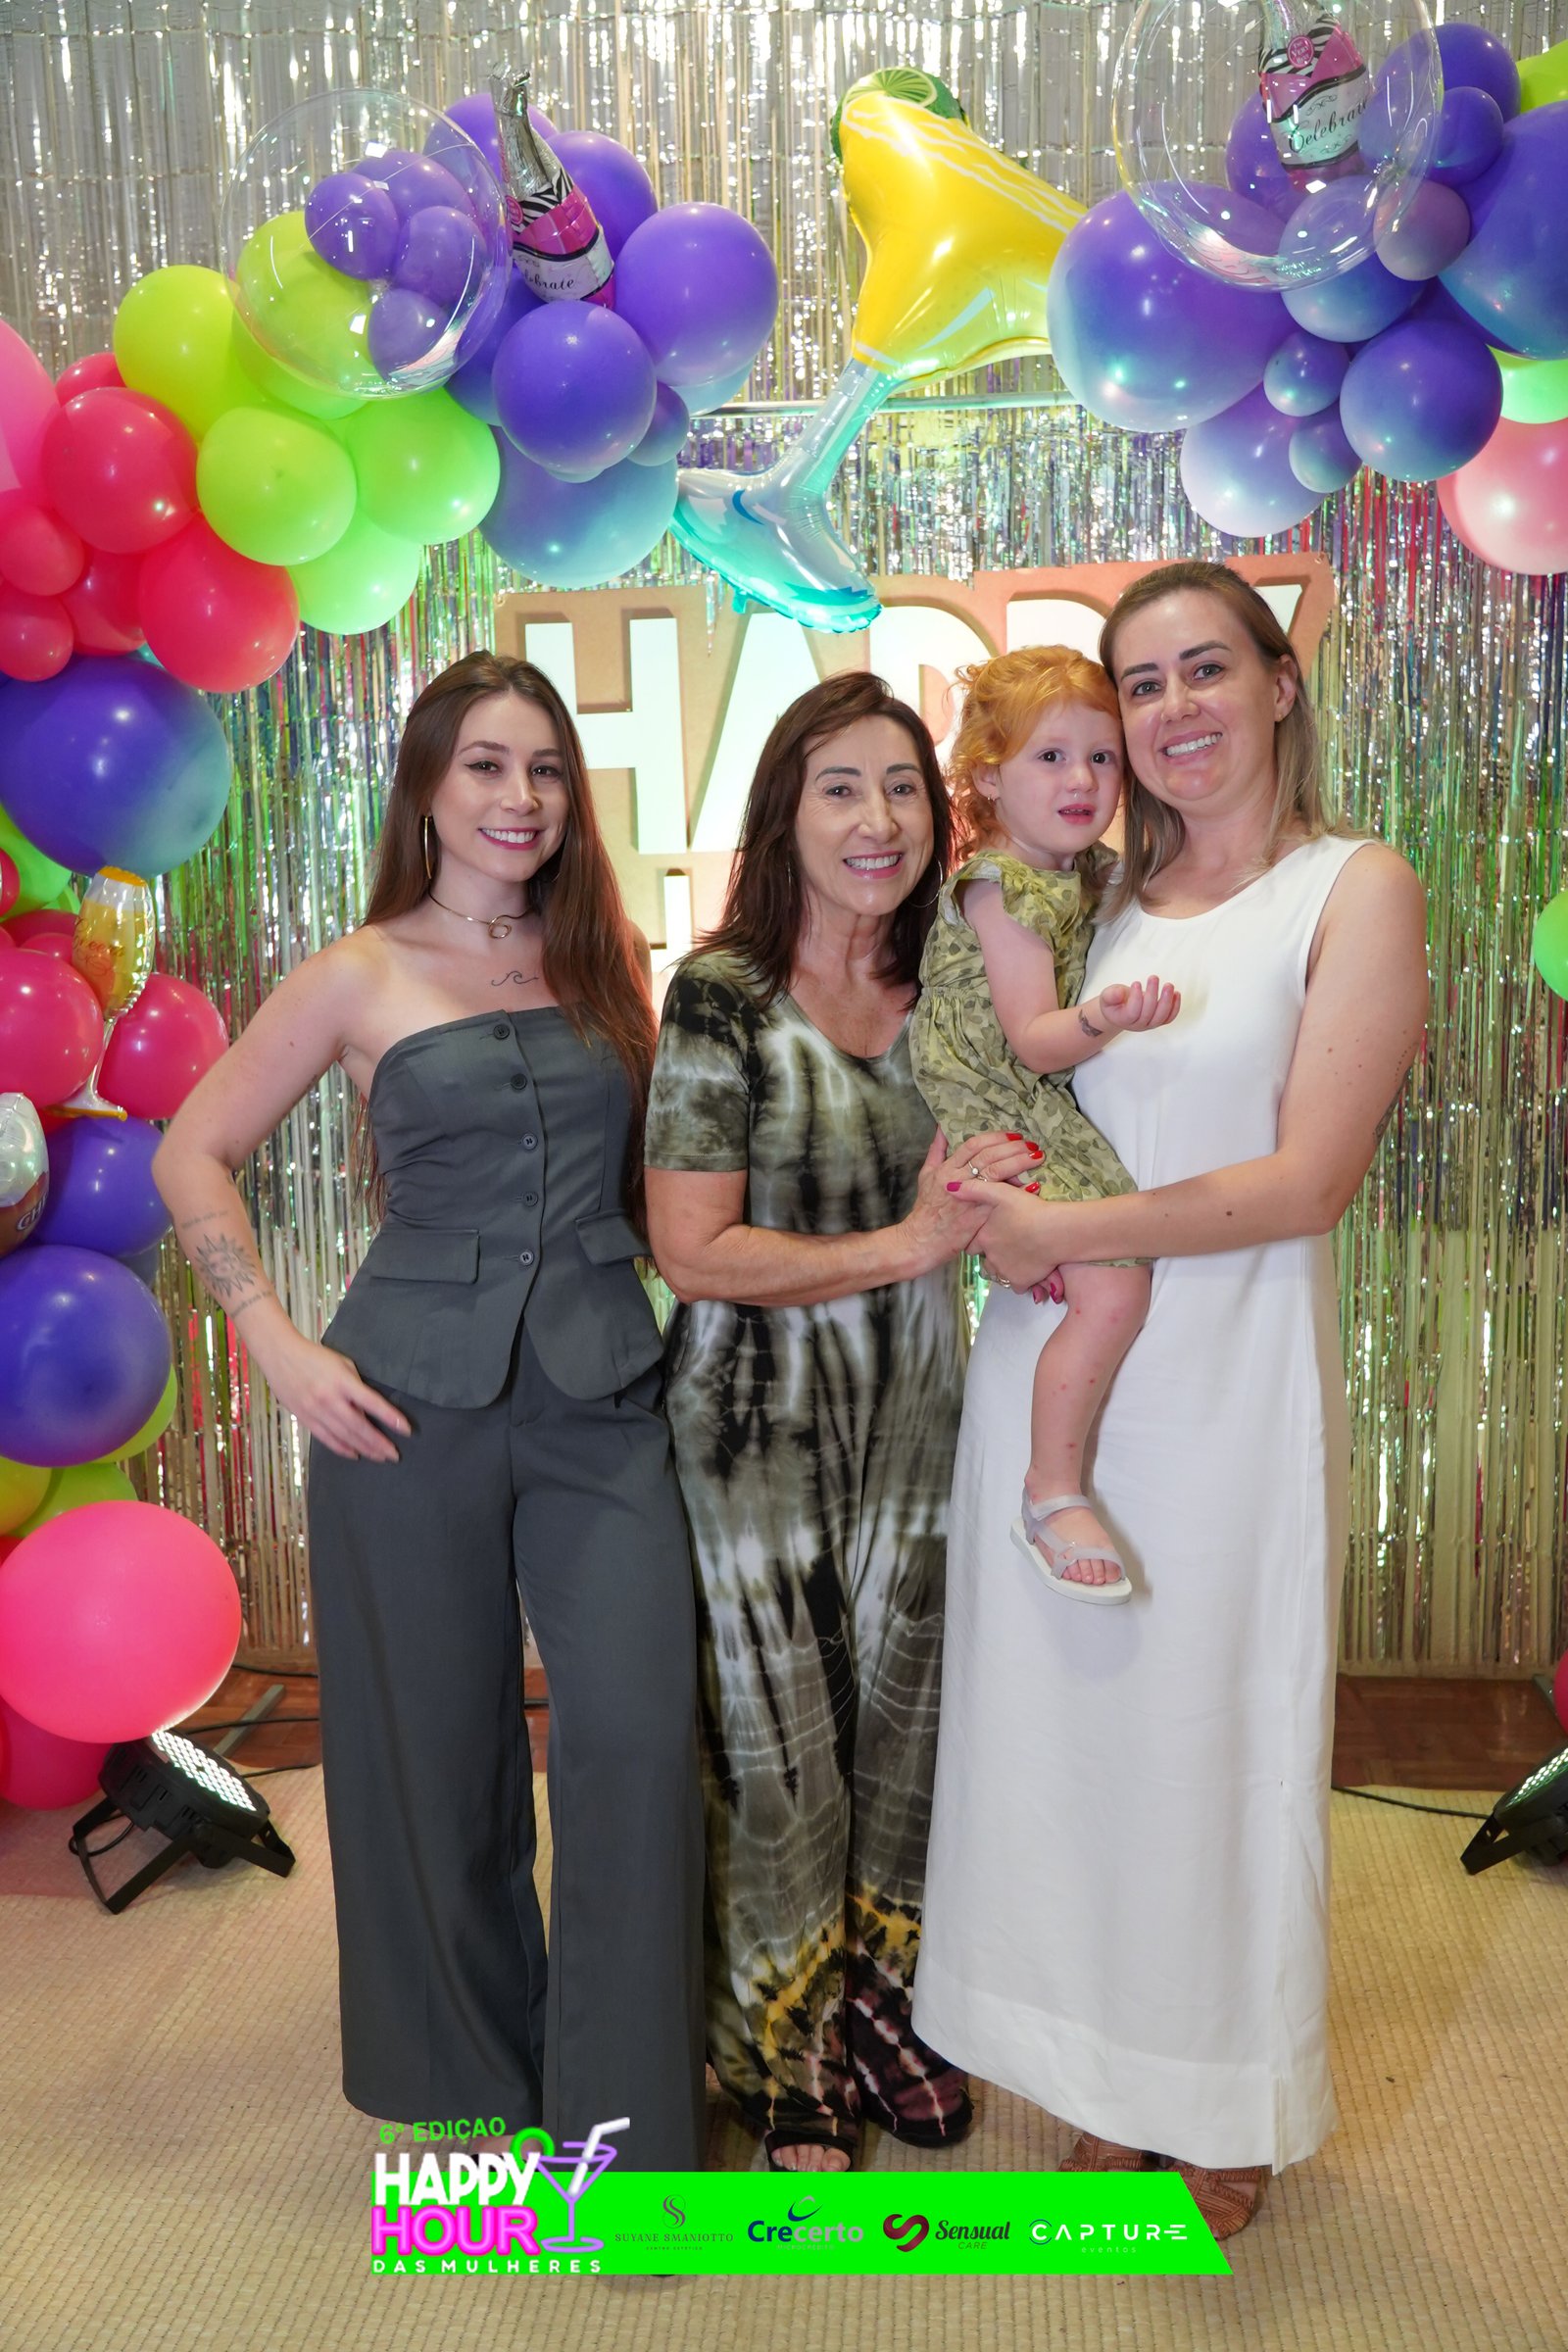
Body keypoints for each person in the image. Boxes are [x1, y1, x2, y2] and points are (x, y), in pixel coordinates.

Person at [912, 563, 1428, 2239]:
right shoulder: (1090, 901)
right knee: (1069, 1743)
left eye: (1207, 668)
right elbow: (1001, 1074)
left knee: (1213, 1740)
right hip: (1055, 1375)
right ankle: (1107, 2072)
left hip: (1224, 1387)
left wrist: (1064, 1231)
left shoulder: (1352, 889)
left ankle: (1221, 2094)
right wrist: (977, 1192)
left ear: (1280, 683)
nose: (1173, 708)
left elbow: (1304, 1182)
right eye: (1141, 684)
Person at [153, 651, 706, 2172]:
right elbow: (192, 1152)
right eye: (486, 765)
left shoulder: (606, 960)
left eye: (545, 770)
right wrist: (275, 1345)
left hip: (606, 1396)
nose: (520, 797)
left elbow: (667, 1179)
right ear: (428, 788)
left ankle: (623, 2129)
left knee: (636, 1735)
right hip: (398, 1408)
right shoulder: (356, 971)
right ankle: (477, 2083)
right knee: (432, 1750)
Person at [643, 670, 1034, 2172]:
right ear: (783, 817)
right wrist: (910, 1244)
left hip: (922, 1424)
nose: (879, 820)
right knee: (780, 1756)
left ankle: (888, 2010)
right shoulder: (721, 997)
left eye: (903, 787)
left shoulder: (961, 985)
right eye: (840, 788)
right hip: (753, 1438)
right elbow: (693, 1251)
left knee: (908, 1734)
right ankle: (781, 2057)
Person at [910, 646, 1179, 1601]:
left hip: (1024, 1089)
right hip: (999, 1090)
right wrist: (1104, 1018)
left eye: (1102, 759)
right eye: (1051, 758)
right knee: (1115, 1284)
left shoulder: (1085, 870)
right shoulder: (1002, 886)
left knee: (1097, 1264)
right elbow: (1030, 1040)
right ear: (988, 776)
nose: (1083, 781)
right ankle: (1051, 1488)